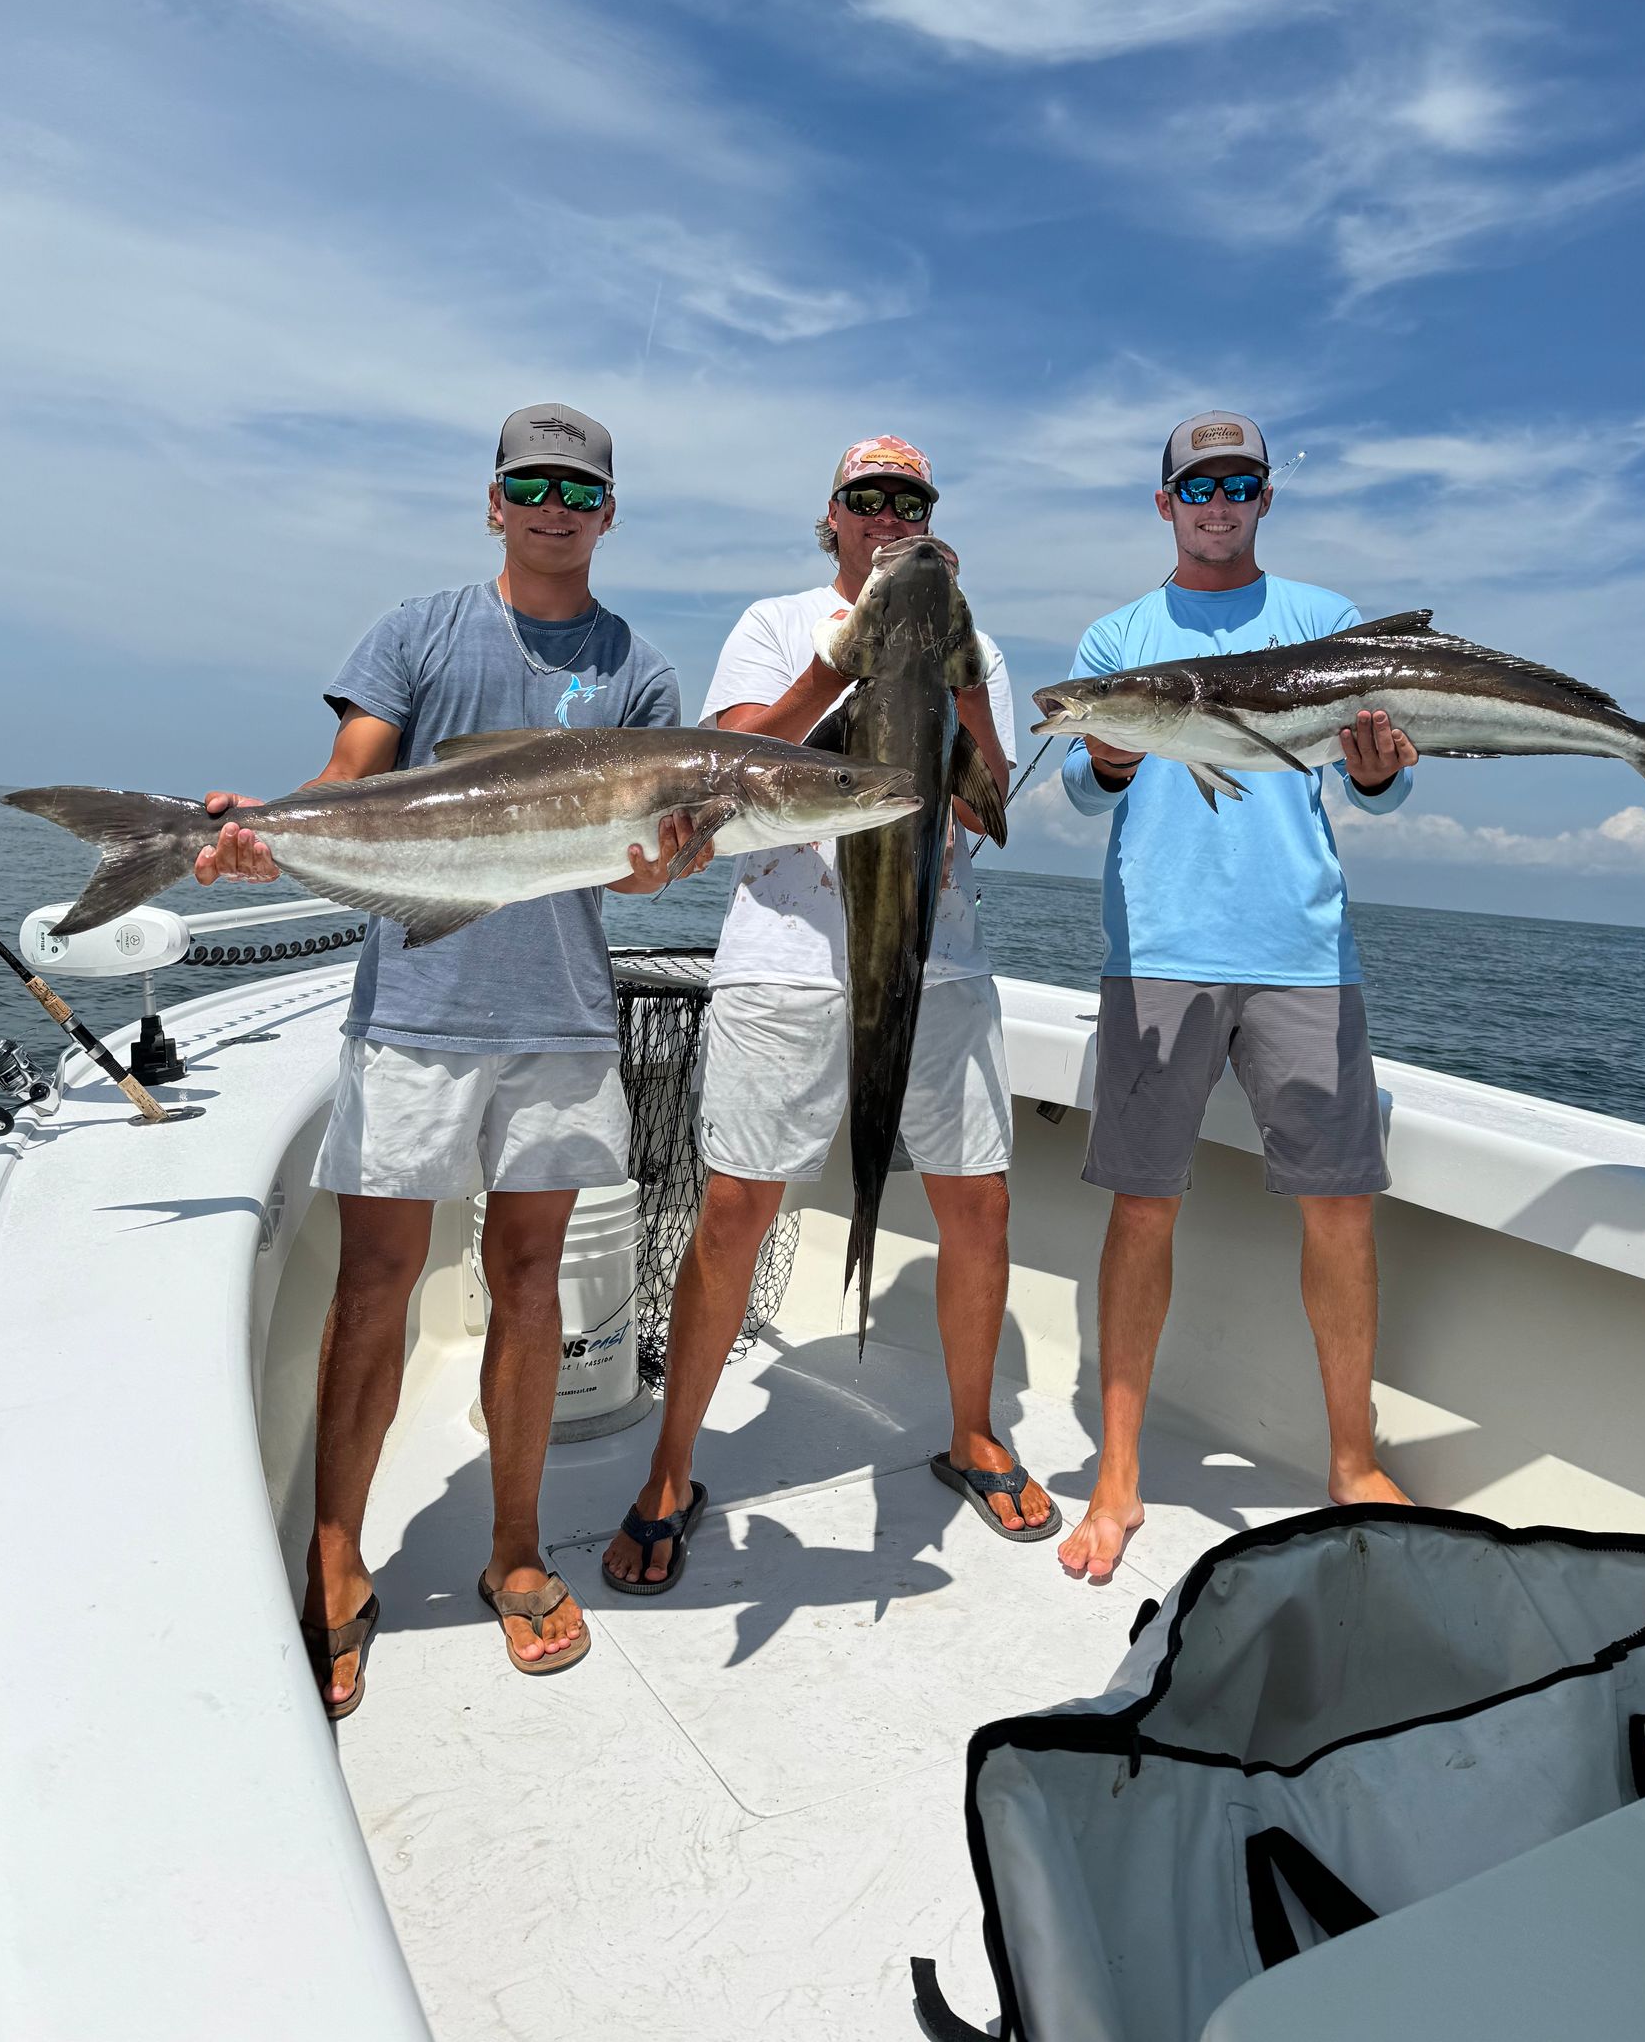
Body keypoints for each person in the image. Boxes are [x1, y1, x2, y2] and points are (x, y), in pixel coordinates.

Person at [197, 402, 703, 1711]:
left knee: (530, 1282)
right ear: (494, 502)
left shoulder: (641, 675)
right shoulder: (417, 631)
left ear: (606, 514)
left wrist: (669, 859)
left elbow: (642, 881)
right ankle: (334, 1553)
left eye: (579, 490)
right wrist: (273, 831)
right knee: (378, 1281)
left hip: (559, 1022)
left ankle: (517, 1551)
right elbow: (349, 772)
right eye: (529, 484)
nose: (553, 505)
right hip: (417, 1009)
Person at [600, 436, 1057, 1594]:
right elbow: (734, 765)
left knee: (980, 1203)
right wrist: (853, 659)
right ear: (835, 518)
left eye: (909, 500)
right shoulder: (774, 622)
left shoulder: (982, 646)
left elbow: (990, 804)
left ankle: (973, 1432)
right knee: (735, 1209)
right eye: (868, 500)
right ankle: (671, 1467)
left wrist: (950, 662)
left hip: (934, 958)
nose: (887, 515)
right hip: (786, 960)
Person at [1055, 410, 1416, 1585]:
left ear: (1264, 497)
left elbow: (1379, 784)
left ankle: (1353, 1458)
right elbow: (1081, 781)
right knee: (1144, 1205)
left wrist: (1379, 771)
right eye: (1197, 482)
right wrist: (1108, 750)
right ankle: (1120, 1467)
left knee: (1342, 1207)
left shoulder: (1323, 621)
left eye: (1240, 480)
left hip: (1304, 950)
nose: (1218, 498)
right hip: (1158, 943)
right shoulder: (1120, 634)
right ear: (1164, 503)